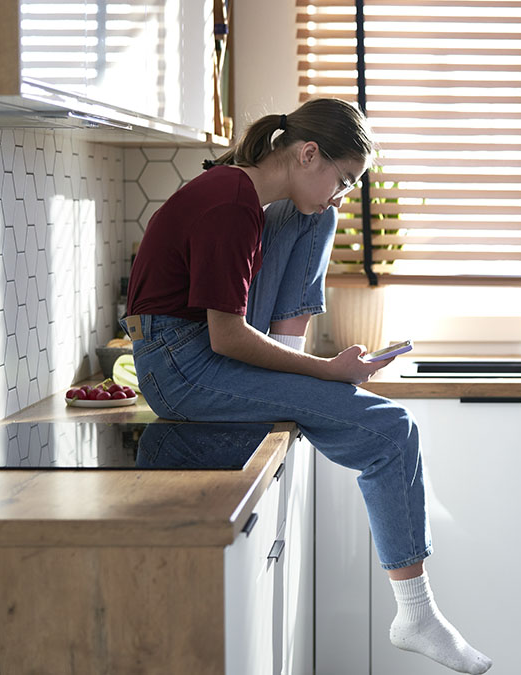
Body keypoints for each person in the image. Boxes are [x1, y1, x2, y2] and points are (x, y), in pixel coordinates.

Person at [122, 98, 492, 675]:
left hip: (190, 350)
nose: (343, 192)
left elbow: (230, 328)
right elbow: (225, 338)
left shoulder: (245, 195)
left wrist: (310, 371)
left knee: (316, 214)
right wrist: (328, 373)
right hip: (180, 368)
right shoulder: (229, 206)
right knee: (393, 429)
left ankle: (417, 614)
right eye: (342, 178)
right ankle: (415, 615)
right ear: (307, 152)